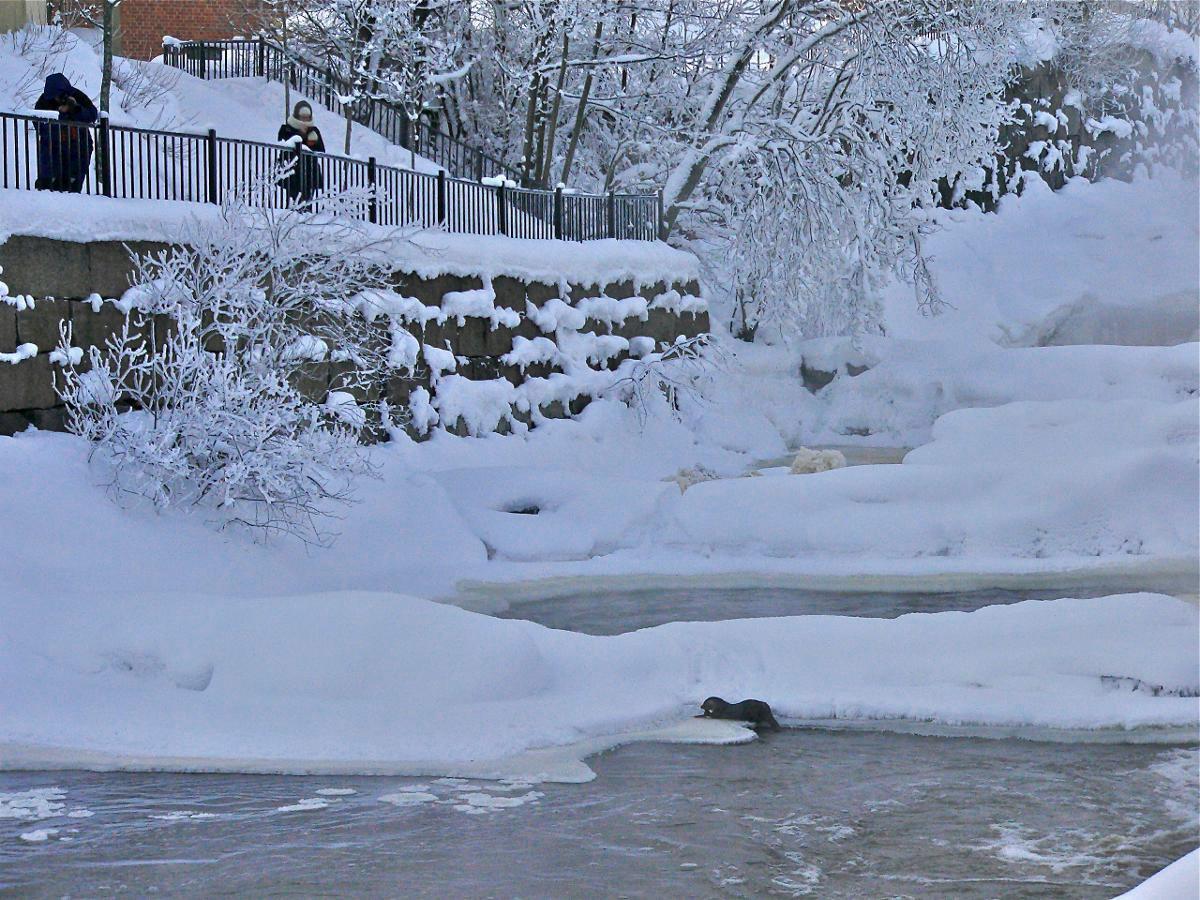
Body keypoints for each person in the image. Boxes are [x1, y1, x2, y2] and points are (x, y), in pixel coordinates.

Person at [33, 73, 98, 193]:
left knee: (72, 185)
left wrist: (75, 109)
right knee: (48, 185)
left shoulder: (77, 96)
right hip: (52, 148)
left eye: (58, 96)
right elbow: (39, 125)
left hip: (78, 148)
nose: (56, 99)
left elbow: (92, 115)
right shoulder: (44, 101)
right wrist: (61, 115)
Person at [277, 101, 325, 205]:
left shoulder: (313, 131)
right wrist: (300, 135)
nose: (305, 120)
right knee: (293, 198)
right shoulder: (287, 128)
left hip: (310, 171)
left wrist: (311, 140)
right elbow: (283, 143)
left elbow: (320, 149)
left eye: (307, 117)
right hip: (292, 170)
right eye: (303, 117)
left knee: (307, 200)